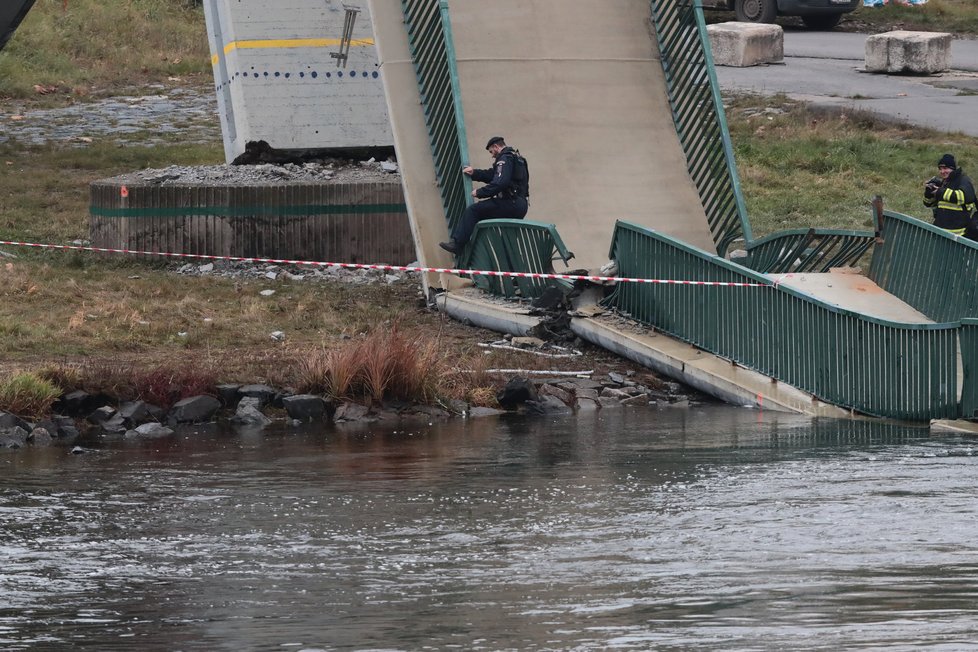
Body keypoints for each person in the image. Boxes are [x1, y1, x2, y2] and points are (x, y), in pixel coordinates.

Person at [439, 136, 529, 255]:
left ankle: (458, 245)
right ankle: (511, 268)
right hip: (520, 204)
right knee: (507, 239)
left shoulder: (505, 158)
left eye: (491, 152)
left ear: (496, 147)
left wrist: (480, 192)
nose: (492, 155)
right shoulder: (515, 158)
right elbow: (494, 175)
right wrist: (475, 173)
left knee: (474, 211)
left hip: (510, 202)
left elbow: (500, 182)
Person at [923, 153, 977, 239]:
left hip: (959, 236)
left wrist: (941, 192)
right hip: (939, 233)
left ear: (953, 168)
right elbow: (928, 204)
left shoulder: (963, 180)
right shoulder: (943, 183)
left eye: (945, 168)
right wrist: (929, 193)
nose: (942, 171)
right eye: (940, 169)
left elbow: (964, 197)